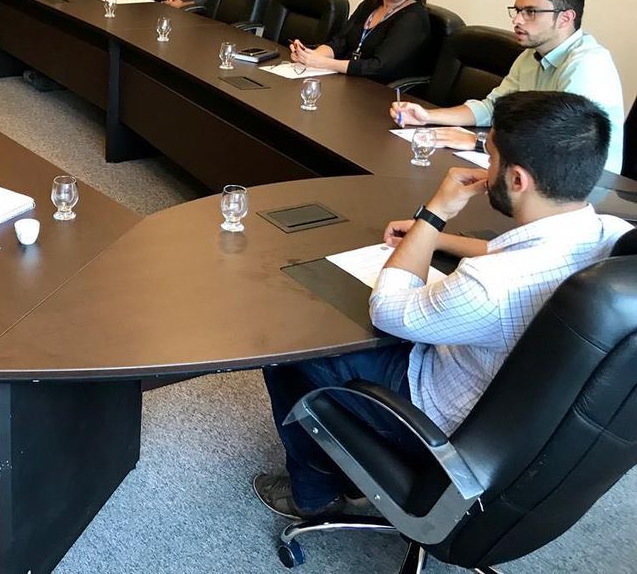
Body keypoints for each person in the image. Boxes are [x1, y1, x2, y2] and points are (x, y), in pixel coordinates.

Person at [255, 90, 633, 519]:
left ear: (517, 180)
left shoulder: (488, 286)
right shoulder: (611, 233)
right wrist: (435, 239)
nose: (486, 168)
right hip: (532, 433)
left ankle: (315, 495)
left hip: (442, 420)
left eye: (491, 158)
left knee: (292, 349)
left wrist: (434, 213)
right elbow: (517, 252)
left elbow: (388, 308)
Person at [390, 0, 626, 175]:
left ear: (565, 18)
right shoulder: (530, 56)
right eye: (517, 10)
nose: (517, 20)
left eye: (530, 12)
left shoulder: (587, 66)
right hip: (532, 169)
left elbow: (557, 145)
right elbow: (493, 107)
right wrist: (428, 117)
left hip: (584, 185)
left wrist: (479, 142)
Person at [290, 0, 432, 83]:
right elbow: (340, 42)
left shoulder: (414, 17)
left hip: (381, 90)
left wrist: (325, 63)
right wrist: (310, 56)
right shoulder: (369, 5)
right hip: (349, 80)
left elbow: (378, 67)